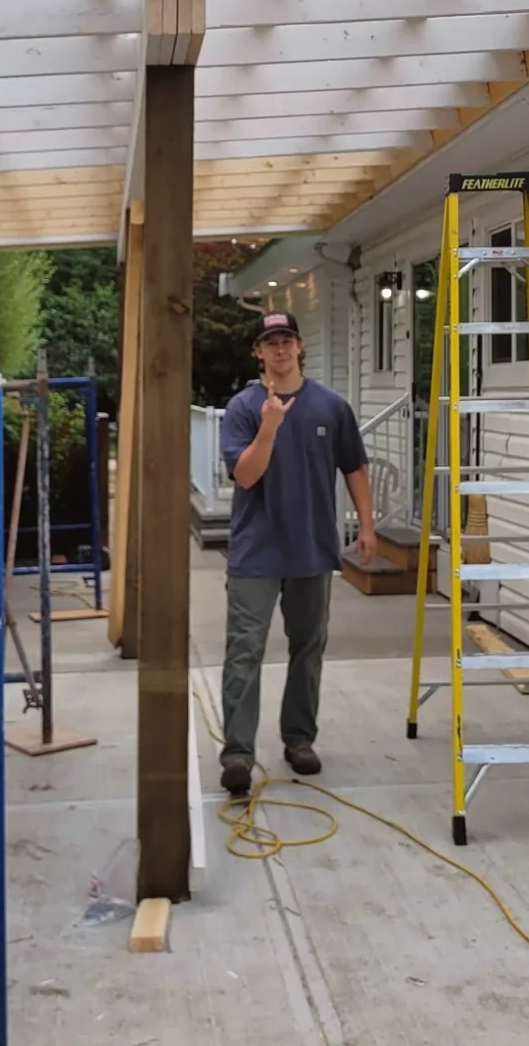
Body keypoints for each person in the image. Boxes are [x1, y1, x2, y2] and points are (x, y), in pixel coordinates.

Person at [217, 310, 376, 797]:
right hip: (256, 553)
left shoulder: (331, 407)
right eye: (271, 342)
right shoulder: (244, 408)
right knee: (245, 651)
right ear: (258, 353)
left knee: (308, 649)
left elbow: (354, 467)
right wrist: (268, 428)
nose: (281, 349)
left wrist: (366, 525)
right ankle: (238, 755)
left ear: (300, 347)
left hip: (311, 549)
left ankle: (299, 739)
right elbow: (245, 476)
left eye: (288, 340)